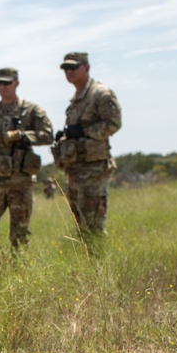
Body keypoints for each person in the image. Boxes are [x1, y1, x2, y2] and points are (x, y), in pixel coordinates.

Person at [0, 68, 53, 250]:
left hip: (20, 181)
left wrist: (22, 136)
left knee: (20, 232)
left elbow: (48, 135)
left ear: (16, 83)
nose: (3, 87)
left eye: (7, 83)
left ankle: (19, 271)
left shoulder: (30, 111)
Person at [52, 52, 122, 238]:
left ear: (87, 68)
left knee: (93, 224)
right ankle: (88, 263)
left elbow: (113, 123)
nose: (69, 71)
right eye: (66, 68)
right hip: (76, 169)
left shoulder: (100, 94)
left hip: (94, 169)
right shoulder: (76, 100)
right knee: (81, 224)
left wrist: (84, 132)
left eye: (74, 67)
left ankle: (99, 264)